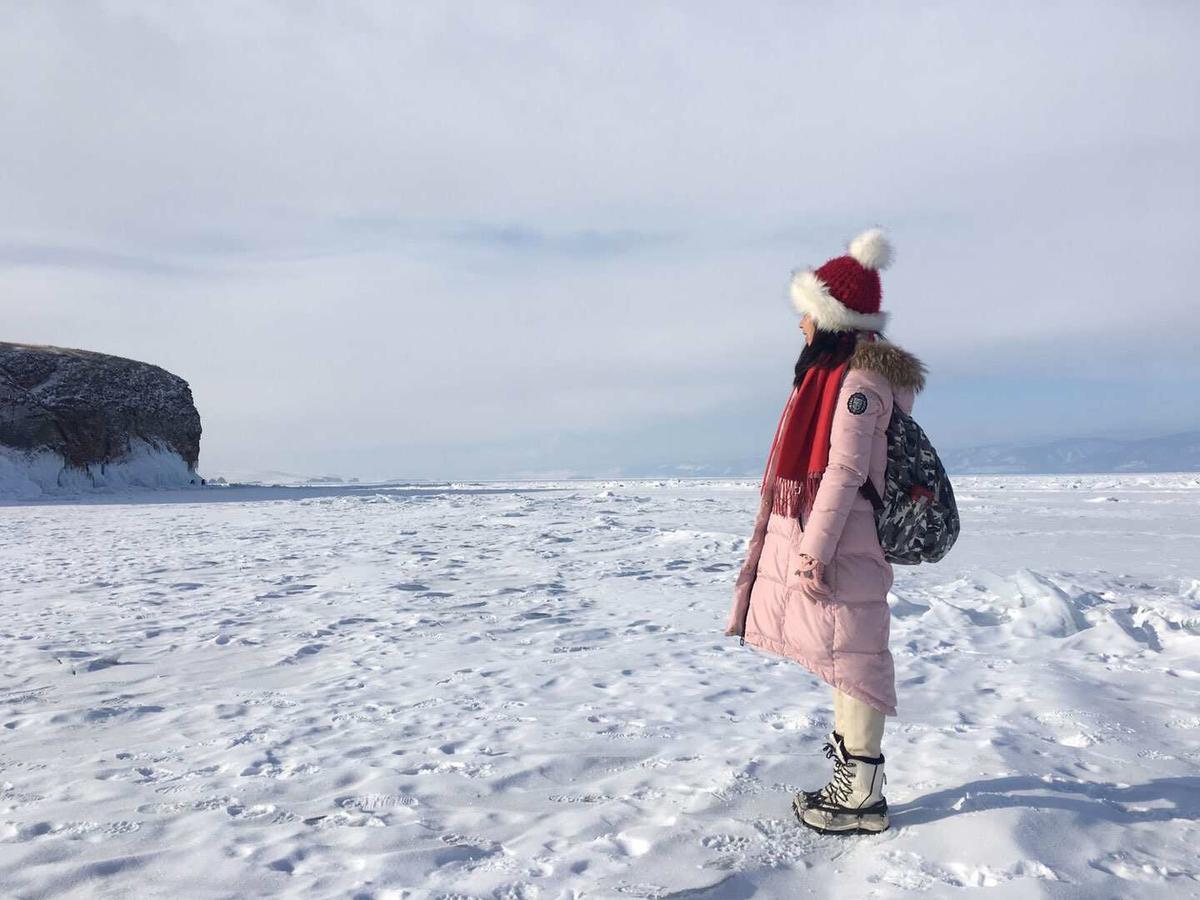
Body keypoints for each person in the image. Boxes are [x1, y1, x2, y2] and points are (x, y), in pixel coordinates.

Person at [724, 228, 927, 835]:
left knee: (857, 658)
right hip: (842, 540)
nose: (800, 327)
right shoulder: (835, 378)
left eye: (807, 314)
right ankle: (853, 782)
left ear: (832, 318)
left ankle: (862, 796)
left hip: (846, 543)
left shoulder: (857, 383)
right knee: (844, 657)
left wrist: (812, 552)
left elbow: (844, 472)